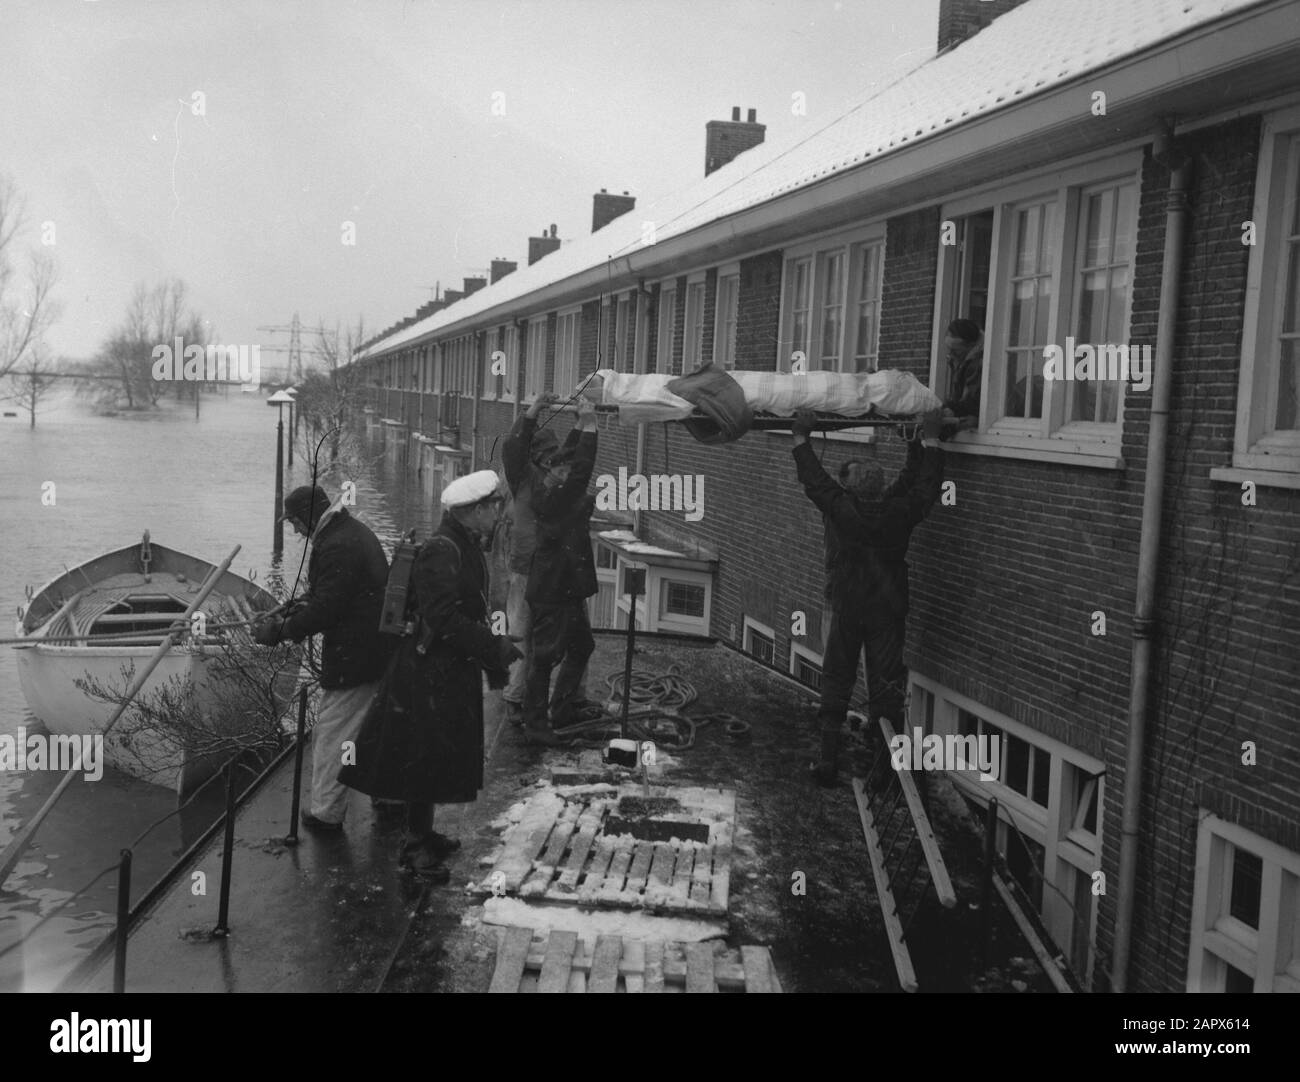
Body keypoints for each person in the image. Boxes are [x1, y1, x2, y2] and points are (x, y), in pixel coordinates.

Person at [338, 470, 521, 880]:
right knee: (422, 757)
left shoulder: (461, 542)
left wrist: (495, 641)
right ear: (475, 510)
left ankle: (426, 833)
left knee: (434, 755)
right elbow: (443, 618)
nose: (499, 516)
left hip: (444, 668)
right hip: (428, 672)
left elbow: (460, 612)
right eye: (495, 508)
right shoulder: (444, 549)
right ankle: (415, 849)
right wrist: (493, 646)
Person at [790, 409, 944, 786]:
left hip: (848, 604)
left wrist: (800, 439)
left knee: (837, 676)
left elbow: (817, 483)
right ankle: (883, 770)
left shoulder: (843, 510)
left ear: (852, 488)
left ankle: (828, 761)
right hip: (888, 609)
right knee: (886, 685)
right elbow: (923, 486)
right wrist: (929, 443)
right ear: (880, 486)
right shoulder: (899, 512)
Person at [253, 485, 391, 832]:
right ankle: (389, 797)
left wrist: (279, 632)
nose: (296, 531)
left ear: (309, 517)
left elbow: (327, 610)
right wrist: (296, 605)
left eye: (296, 523)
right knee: (371, 729)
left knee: (332, 733)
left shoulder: (336, 546)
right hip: (376, 649)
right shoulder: (348, 533)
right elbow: (333, 594)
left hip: (356, 655)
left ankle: (326, 814)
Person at [500, 392, 591, 726]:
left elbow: (571, 453)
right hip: (527, 567)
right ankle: (516, 697)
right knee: (524, 633)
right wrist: (531, 413)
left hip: (561, 569)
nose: (553, 461)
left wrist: (582, 424)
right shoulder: (522, 477)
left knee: (573, 636)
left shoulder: (555, 474)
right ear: (535, 456)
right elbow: (513, 448)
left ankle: (572, 698)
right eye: (546, 455)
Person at [520, 397, 600, 744]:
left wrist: (580, 426)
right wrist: (592, 427)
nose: (567, 471)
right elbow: (580, 471)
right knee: (544, 658)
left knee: (581, 646)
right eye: (561, 469)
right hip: (553, 591)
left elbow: (569, 459)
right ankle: (535, 724)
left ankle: (562, 708)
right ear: (549, 470)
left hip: (566, 588)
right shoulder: (551, 495)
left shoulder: (552, 483)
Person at [941, 318, 983, 430]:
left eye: (955, 351)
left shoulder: (979, 363)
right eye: (949, 349)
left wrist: (952, 409)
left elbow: (972, 400)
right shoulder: (960, 360)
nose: (950, 354)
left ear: (971, 346)